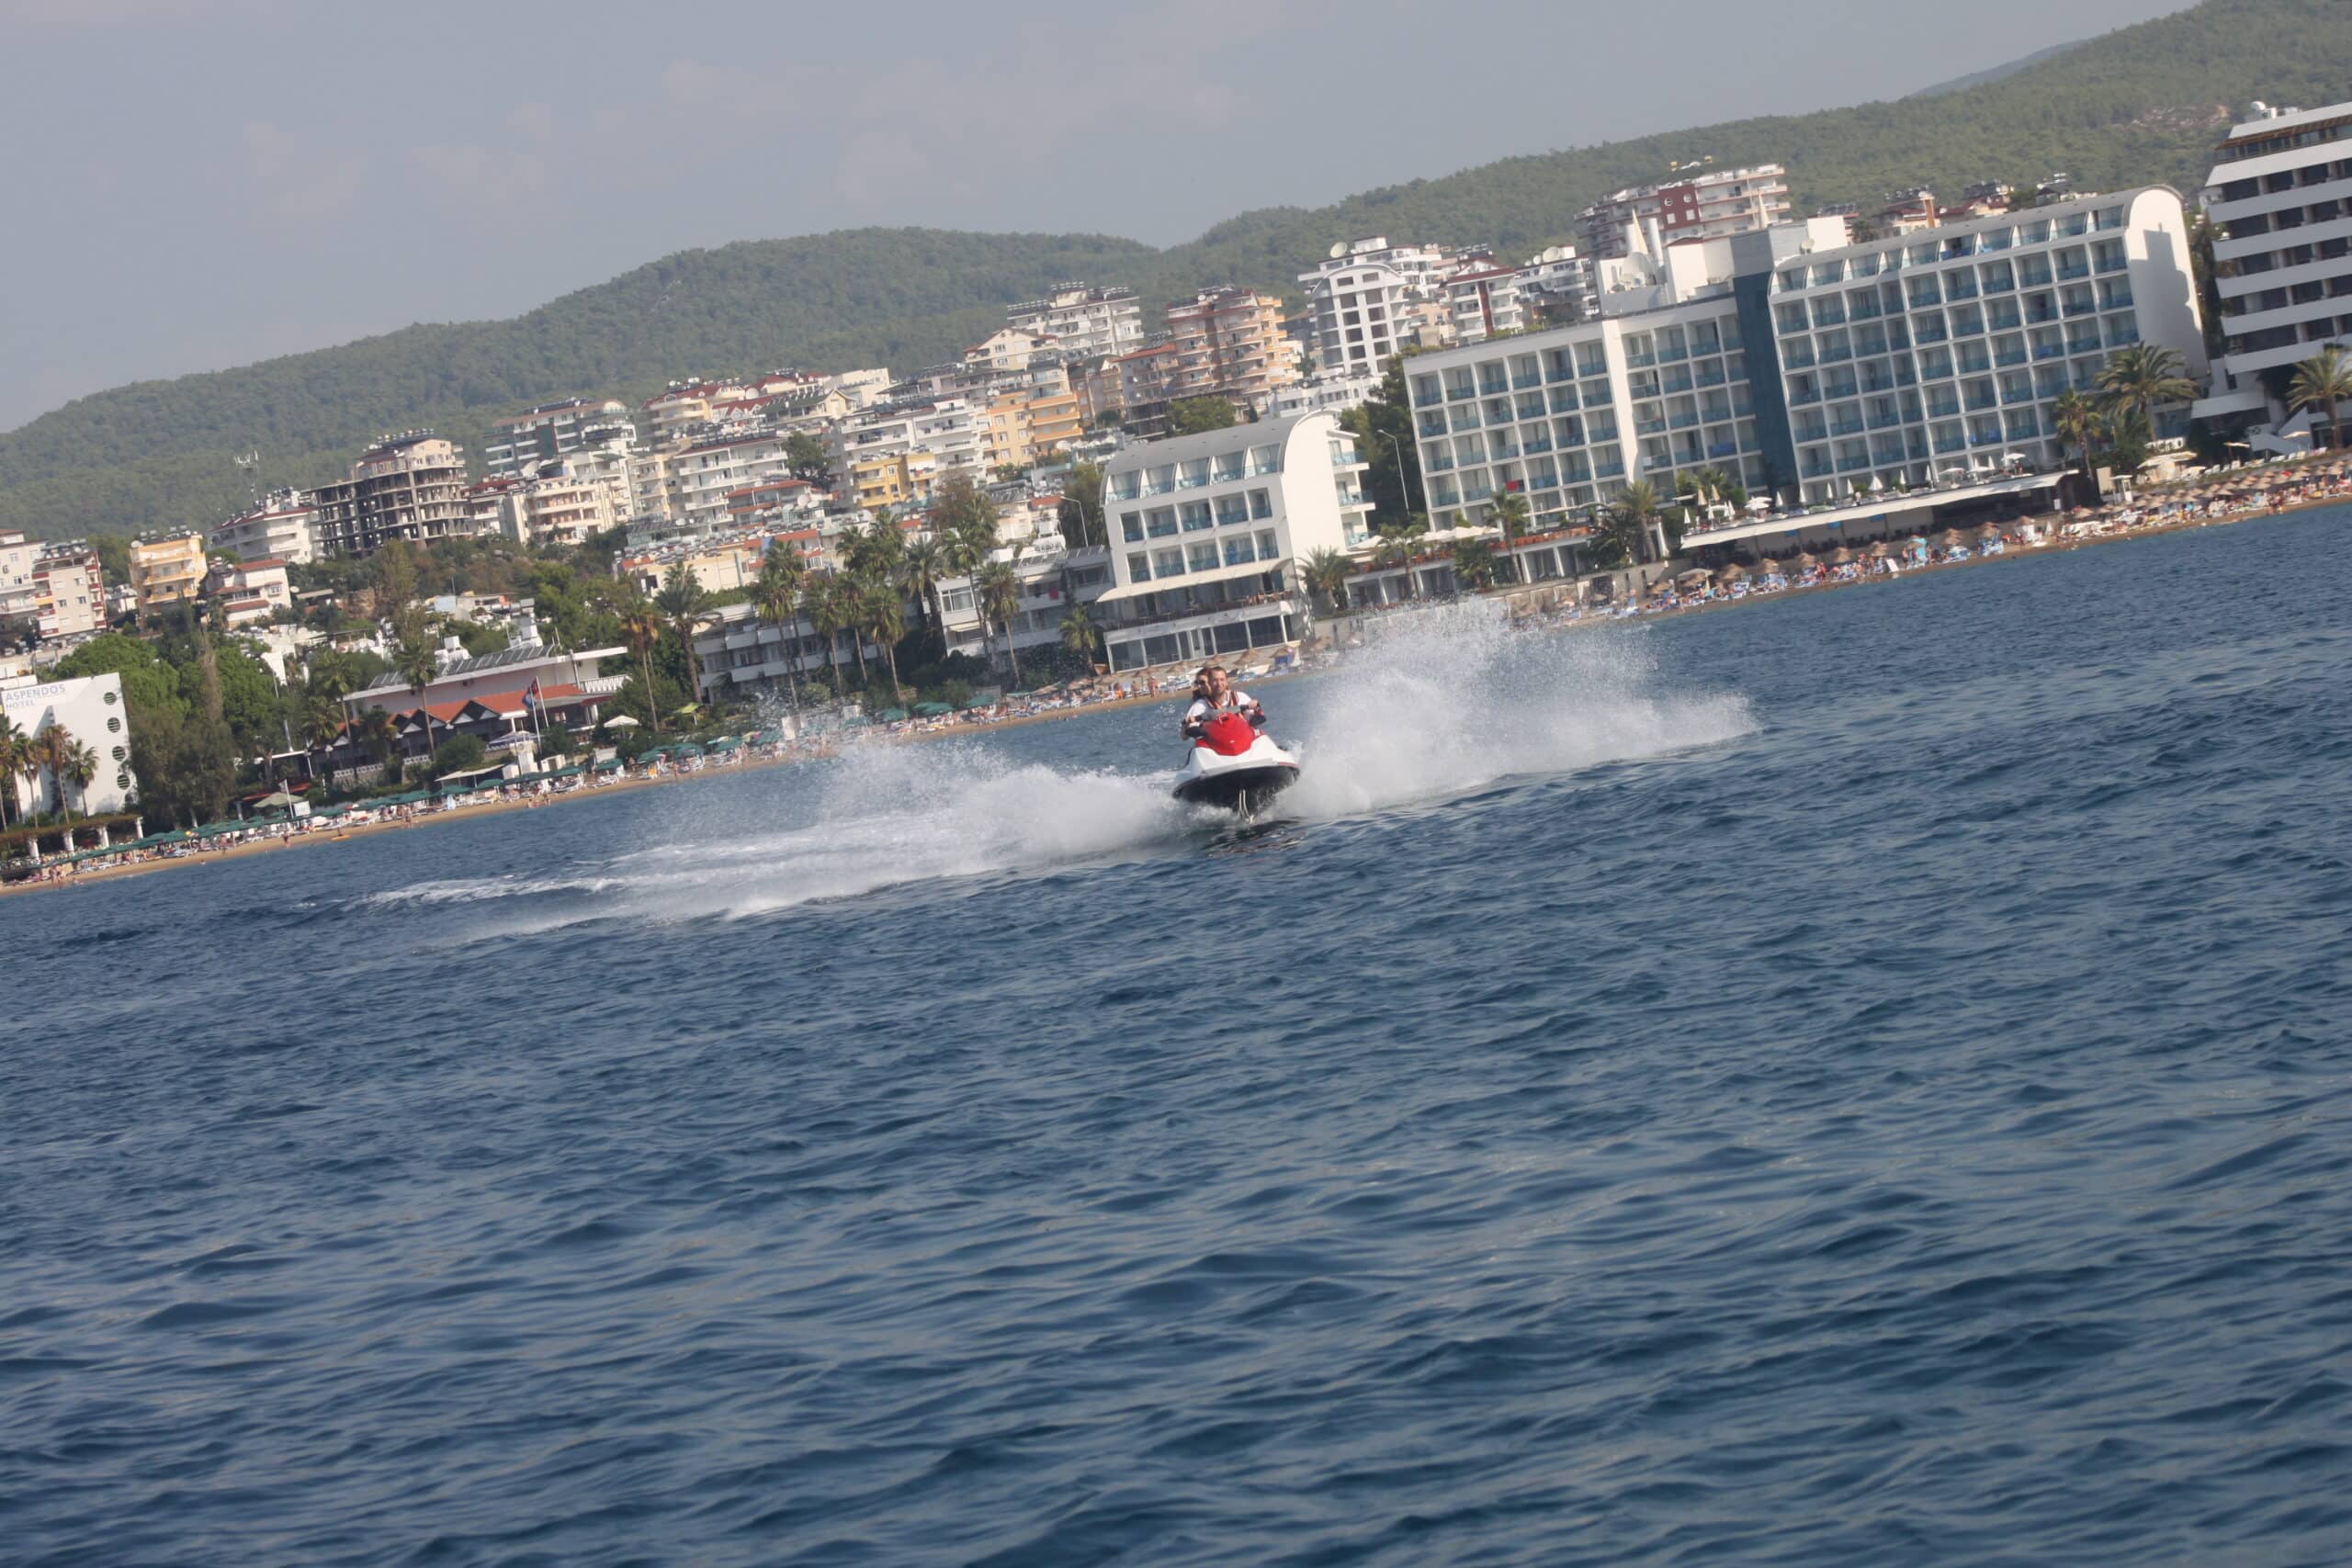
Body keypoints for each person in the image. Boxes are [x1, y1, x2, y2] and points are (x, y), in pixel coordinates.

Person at [1181, 664, 1263, 740]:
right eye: (1215, 680)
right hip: (1217, 746)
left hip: (1242, 741)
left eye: (1222, 680)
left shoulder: (1240, 697)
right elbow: (1185, 735)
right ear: (1210, 682)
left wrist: (1256, 708)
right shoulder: (1200, 705)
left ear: (1227, 681)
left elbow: (1256, 715)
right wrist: (1189, 726)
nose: (1219, 684)